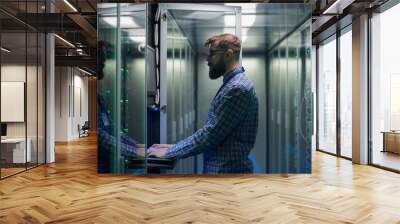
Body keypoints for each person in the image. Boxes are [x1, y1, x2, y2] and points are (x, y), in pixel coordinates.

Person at [148, 33, 259, 174]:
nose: (207, 59)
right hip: (224, 172)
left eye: (212, 54)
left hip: (227, 176)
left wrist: (169, 152)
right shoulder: (232, 84)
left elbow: (210, 135)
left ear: (228, 54)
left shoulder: (238, 88)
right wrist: (171, 148)